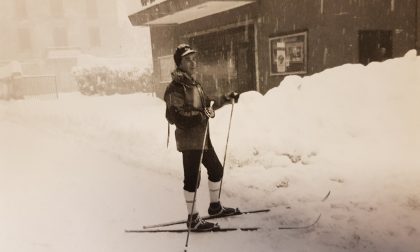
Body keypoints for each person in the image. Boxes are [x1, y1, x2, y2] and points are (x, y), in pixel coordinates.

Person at [164, 44, 240, 231]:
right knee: (192, 180)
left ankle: (214, 207)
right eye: (188, 59)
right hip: (189, 141)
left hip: (203, 138)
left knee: (216, 170)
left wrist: (225, 98)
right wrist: (200, 115)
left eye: (194, 59)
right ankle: (193, 219)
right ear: (179, 63)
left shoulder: (194, 85)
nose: (193, 62)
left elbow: (208, 102)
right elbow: (176, 116)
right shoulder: (175, 88)